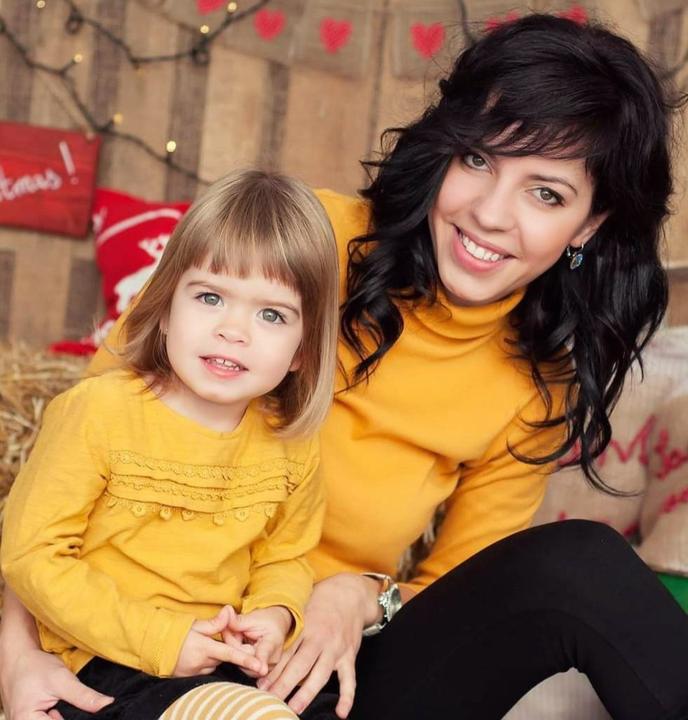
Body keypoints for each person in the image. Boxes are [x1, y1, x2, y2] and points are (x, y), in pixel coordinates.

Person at [2, 12, 688, 720]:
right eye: (479, 160)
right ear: (444, 150)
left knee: (581, 564)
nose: (490, 213)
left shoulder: (534, 382)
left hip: (328, 667)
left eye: (546, 193)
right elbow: (74, 458)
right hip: (149, 642)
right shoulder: (304, 245)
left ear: (590, 224)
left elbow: (463, 588)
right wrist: (19, 654)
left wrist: (359, 597)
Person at [0, 170, 340, 720]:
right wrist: (161, 637)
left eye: (271, 314)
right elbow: (31, 554)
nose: (234, 330)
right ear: (163, 310)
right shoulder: (99, 412)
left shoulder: (290, 443)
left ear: (303, 350)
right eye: (210, 296)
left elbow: (286, 555)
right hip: (107, 656)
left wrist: (274, 615)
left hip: (225, 660)